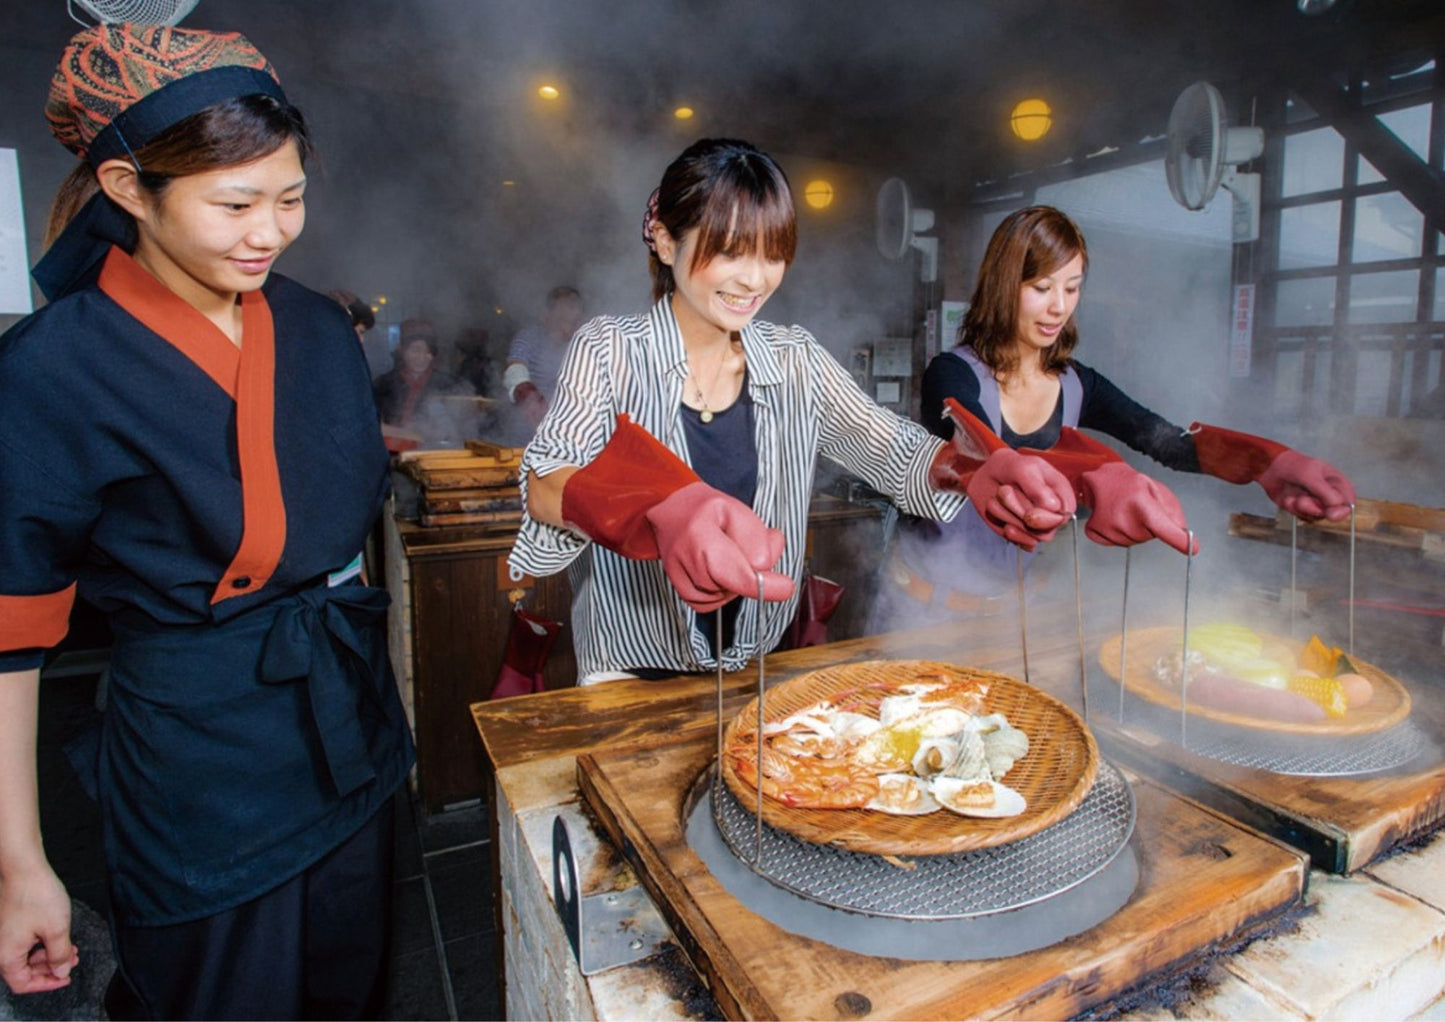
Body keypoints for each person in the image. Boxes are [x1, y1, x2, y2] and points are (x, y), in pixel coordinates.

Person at [0, 24, 412, 1019]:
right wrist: (20, 866)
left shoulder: (315, 324)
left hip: (346, 728)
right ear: (128, 189)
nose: (266, 232)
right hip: (200, 758)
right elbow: (11, 637)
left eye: (289, 199)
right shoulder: (53, 367)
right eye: (233, 204)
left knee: (352, 991)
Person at [508, 138, 1088, 684]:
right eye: (730, 251)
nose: (755, 279)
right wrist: (658, 506)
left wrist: (973, 466)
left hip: (755, 665)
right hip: (630, 669)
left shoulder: (793, 360)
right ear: (664, 240)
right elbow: (545, 482)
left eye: (773, 253)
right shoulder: (611, 348)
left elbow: (888, 445)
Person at [878, 205, 1356, 625]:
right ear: (1005, 287)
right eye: (1042, 287)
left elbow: (1166, 441)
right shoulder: (952, 374)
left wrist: (1269, 464)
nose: (1059, 307)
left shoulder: (1077, 384)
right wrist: (1097, 473)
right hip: (927, 609)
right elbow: (982, 451)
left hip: (1017, 616)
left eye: (1072, 287)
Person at [371, 316, 473, 447]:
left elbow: (459, 429)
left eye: (428, 352)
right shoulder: (383, 384)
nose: (422, 357)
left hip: (434, 453)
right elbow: (374, 425)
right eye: (415, 350)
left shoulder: (448, 384)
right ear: (401, 350)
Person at [504, 285, 584, 427]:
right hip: (526, 436)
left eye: (573, 322)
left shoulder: (582, 344)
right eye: (562, 319)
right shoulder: (529, 337)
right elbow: (515, 371)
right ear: (547, 315)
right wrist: (528, 395)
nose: (567, 328)